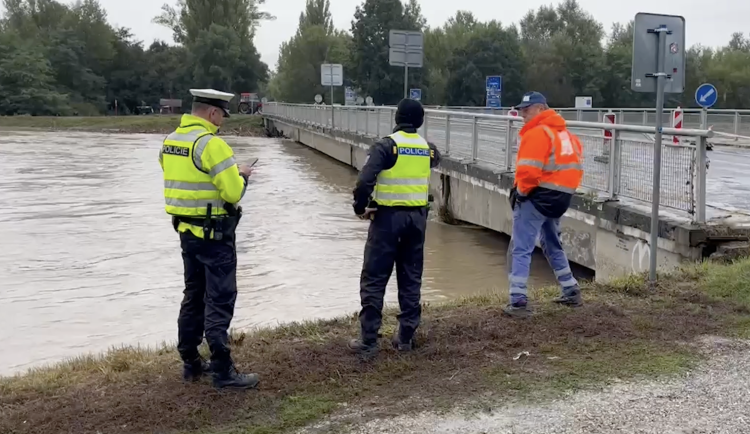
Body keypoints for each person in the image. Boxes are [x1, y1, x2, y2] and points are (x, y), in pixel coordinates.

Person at [159, 88, 259, 389]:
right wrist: (241, 174)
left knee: (193, 296)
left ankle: (190, 361)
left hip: (186, 234)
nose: (221, 124)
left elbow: (181, 175)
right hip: (215, 236)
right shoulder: (212, 145)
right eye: (221, 117)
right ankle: (223, 371)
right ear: (212, 113)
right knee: (219, 299)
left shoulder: (170, 141)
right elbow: (231, 192)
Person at [348, 98, 441, 356]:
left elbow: (364, 181)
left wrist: (360, 207)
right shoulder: (428, 149)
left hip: (387, 220)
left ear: (396, 119)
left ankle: (368, 341)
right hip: (417, 221)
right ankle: (405, 338)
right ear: (420, 121)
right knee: (410, 278)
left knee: (375, 278)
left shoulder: (386, 146)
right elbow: (435, 160)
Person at [505, 91, 584, 318]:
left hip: (537, 196)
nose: (522, 115)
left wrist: (520, 193)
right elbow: (576, 169)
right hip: (561, 197)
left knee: (521, 247)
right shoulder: (568, 136)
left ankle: (517, 300)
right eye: (520, 110)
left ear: (540, 109)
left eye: (526, 110)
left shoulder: (537, 133)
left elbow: (528, 172)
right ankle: (570, 289)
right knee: (551, 242)